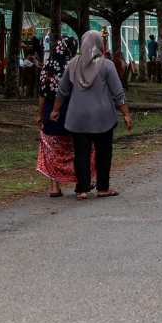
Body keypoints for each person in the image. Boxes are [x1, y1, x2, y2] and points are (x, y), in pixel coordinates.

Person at [50, 30, 133, 199]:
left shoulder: (73, 64)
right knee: (103, 152)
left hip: (78, 118)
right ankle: (103, 188)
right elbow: (118, 93)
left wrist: (55, 110)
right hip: (103, 118)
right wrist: (126, 114)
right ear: (98, 44)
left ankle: (82, 190)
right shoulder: (107, 65)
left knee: (81, 153)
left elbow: (62, 91)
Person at [34, 36, 94, 197]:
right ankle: (80, 182)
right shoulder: (76, 66)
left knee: (52, 148)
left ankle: (55, 187)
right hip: (74, 112)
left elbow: (42, 94)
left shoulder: (47, 67)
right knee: (77, 148)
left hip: (51, 111)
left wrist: (40, 114)